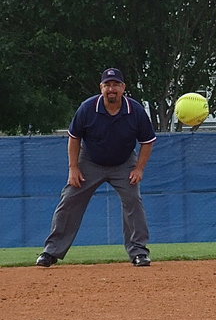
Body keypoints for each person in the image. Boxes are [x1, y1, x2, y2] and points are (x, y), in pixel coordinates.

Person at [36, 68, 157, 267]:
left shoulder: (135, 110)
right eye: (107, 85)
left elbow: (148, 141)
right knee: (69, 199)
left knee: (133, 200)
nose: (112, 89)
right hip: (90, 160)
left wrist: (139, 169)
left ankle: (139, 252)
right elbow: (74, 138)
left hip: (123, 162)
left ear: (123, 88)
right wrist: (73, 168)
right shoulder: (88, 108)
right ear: (101, 87)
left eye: (116, 84)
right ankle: (51, 252)